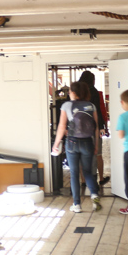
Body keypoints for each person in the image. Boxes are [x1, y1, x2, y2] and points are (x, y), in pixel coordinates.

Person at [52, 81, 101, 213]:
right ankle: (94, 195)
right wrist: (96, 145)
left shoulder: (67, 105)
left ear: (72, 93)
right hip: (87, 143)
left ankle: (77, 204)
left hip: (72, 142)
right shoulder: (91, 106)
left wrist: (56, 144)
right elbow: (96, 128)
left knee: (74, 173)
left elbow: (62, 126)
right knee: (87, 171)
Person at [79, 71, 109, 186]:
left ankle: (83, 181)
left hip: (79, 128)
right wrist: (102, 127)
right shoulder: (93, 91)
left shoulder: (76, 90)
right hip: (93, 127)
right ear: (92, 80)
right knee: (98, 154)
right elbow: (98, 110)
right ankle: (101, 179)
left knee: (82, 155)